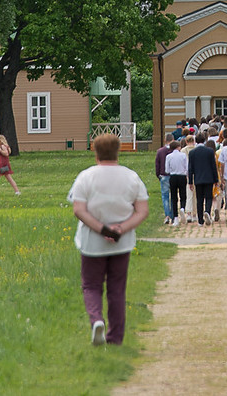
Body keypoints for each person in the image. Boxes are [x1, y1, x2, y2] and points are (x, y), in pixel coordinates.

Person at [68, 133, 150, 347]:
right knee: (117, 289)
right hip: (122, 242)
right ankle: (115, 338)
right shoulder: (131, 177)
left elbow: (79, 210)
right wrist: (120, 229)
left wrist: (101, 229)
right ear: (118, 151)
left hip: (92, 242)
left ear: (96, 152)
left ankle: (96, 320)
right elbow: (142, 211)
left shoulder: (86, 177)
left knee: (92, 285)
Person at [189, 131, 218, 224]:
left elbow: (190, 168)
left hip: (198, 179)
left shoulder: (192, 152)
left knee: (199, 199)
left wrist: (190, 181)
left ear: (196, 140)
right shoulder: (210, 151)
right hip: (209, 178)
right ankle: (207, 212)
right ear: (205, 140)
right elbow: (214, 166)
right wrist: (216, 179)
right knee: (209, 197)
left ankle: (200, 220)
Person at [165, 134, 189, 224]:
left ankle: (175, 218)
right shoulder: (183, 156)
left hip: (173, 177)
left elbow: (167, 170)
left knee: (174, 197)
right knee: (183, 195)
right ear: (178, 147)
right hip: (182, 176)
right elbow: (186, 167)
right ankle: (182, 207)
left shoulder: (168, 157)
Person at [154, 133, 175, 224]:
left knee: (165, 197)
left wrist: (158, 174)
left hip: (163, 175)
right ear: (173, 140)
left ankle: (167, 216)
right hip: (173, 175)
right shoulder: (174, 150)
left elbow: (157, 164)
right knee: (173, 196)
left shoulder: (160, 151)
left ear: (165, 140)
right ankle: (174, 215)